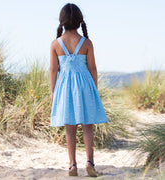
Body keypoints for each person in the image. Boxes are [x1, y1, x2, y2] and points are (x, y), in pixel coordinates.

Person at [49, 3, 108, 177]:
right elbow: (93, 69)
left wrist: (52, 91)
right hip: (85, 86)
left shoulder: (56, 44)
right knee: (87, 125)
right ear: (80, 21)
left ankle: (72, 165)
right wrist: (94, 90)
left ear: (62, 21)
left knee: (70, 127)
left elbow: (53, 70)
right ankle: (89, 162)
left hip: (65, 87)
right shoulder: (87, 42)